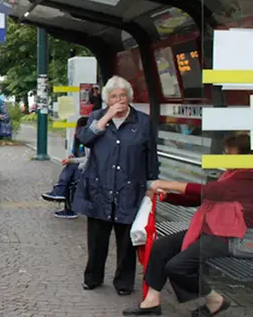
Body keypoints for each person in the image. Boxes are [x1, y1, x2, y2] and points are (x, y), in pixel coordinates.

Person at [122, 134, 253, 316]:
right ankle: (152, 301)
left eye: (228, 153)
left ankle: (215, 300)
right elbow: (204, 197)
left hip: (234, 237)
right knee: (161, 247)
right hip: (212, 229)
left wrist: (169, 184)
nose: (224, 156)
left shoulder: (248, 177)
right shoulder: (231, 174)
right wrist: (169, 195)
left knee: (177, 267)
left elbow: (210, 191)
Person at [72, 76, 158, 296]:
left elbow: (151, 155)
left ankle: (124, 282)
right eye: (113, 96)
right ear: (107, 99)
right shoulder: (96, 117)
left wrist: (151, 183)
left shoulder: (142, 121)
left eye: (122, 96)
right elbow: (84, 139)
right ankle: (92, 278)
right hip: (99, 187)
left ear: (129, 97)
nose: (119, 100)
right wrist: (106, 117)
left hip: (130, 187)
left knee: (126, 240)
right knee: (97, 239)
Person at [41, 116, 90, 219]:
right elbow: (76, 155)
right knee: (70, 170)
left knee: (71, 169)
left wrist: (72, 160)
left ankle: (60, 190)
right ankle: (61, 191)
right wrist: (72, 158)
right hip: (79, 167)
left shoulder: (89, 142)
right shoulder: (78, 139)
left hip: (86, 168)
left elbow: (88, 160)